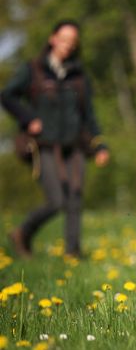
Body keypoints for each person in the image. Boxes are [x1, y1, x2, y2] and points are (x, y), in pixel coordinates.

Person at [1, 20, 109, 258]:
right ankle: (23, 232)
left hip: (75, 144)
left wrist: (99, 145)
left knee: (75, 199)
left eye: (73, 41)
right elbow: (7, 96)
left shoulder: (79, 76)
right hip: (44, 145)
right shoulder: (34, 69)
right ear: (53, 39)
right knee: (56, 200)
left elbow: (89, 114)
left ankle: (73, 252)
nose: (68, 45)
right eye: (64, 39)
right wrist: (28, 118)